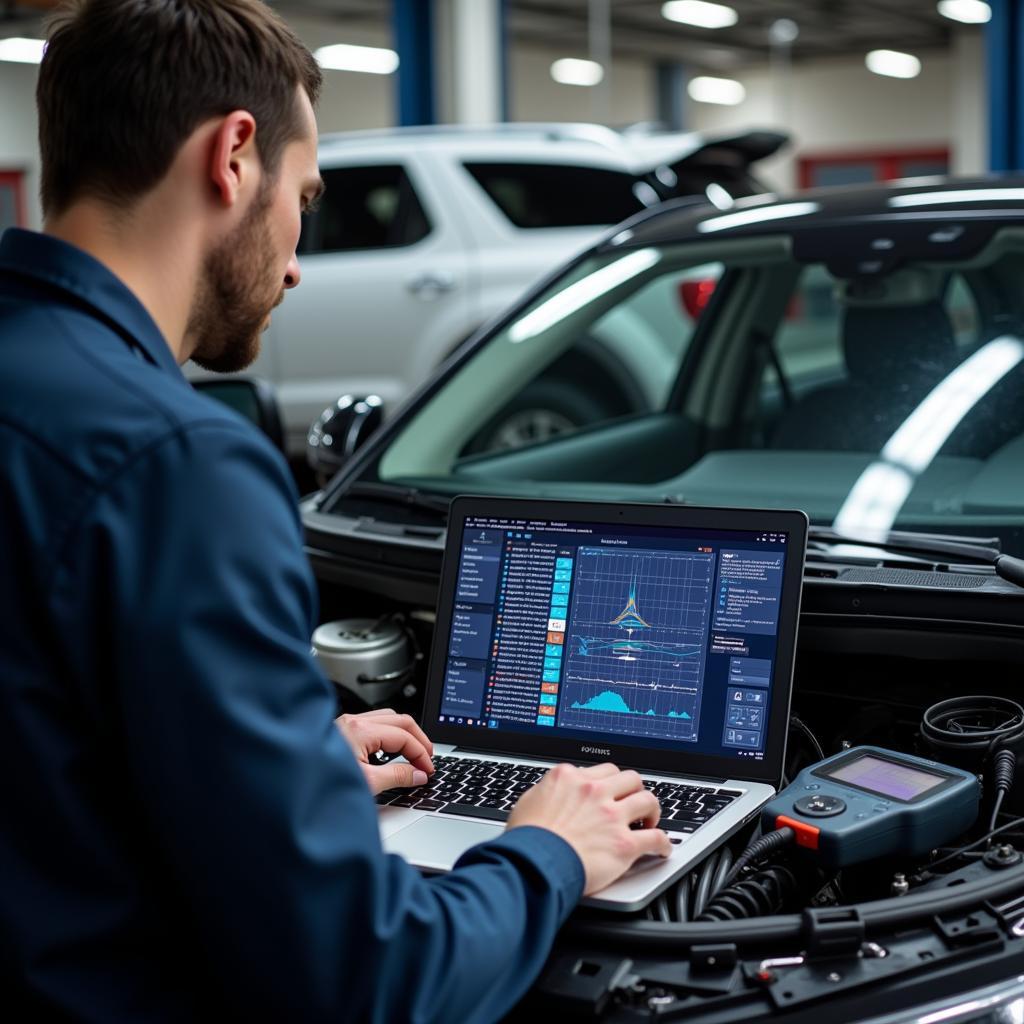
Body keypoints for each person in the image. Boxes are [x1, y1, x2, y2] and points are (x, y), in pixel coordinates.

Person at [0, 1, 670, 1020]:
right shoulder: (178, 464)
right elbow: (363, 979)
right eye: (305, 198)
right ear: (234, 156)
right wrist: (547, 849)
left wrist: (281, 781)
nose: (299, 258)